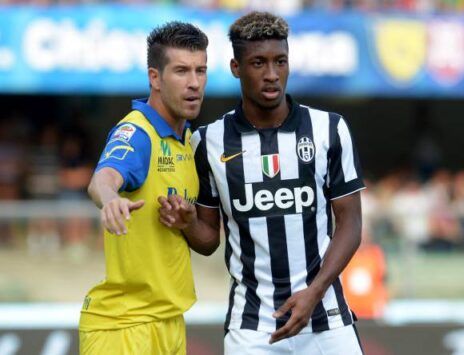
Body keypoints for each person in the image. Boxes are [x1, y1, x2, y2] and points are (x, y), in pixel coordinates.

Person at [159, 11, 365, 355]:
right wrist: (189, 224)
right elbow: (209, 239)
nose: (271, 75)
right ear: (236, 67)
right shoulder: (208, 142)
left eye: (280, 61)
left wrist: (313, 293)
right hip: (252, 327)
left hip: (326, 317)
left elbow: (351, 223)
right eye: (258, 63)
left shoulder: (329, 129)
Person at [79, 22, 208, 355]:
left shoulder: (187, 143)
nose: (194, 83)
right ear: (155, 78)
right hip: (124, 327)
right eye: (181, 71)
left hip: (169, 321)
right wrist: (110, 200)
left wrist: (188, 222)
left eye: (200, 70)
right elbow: (104, 178)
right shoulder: (138, 132)